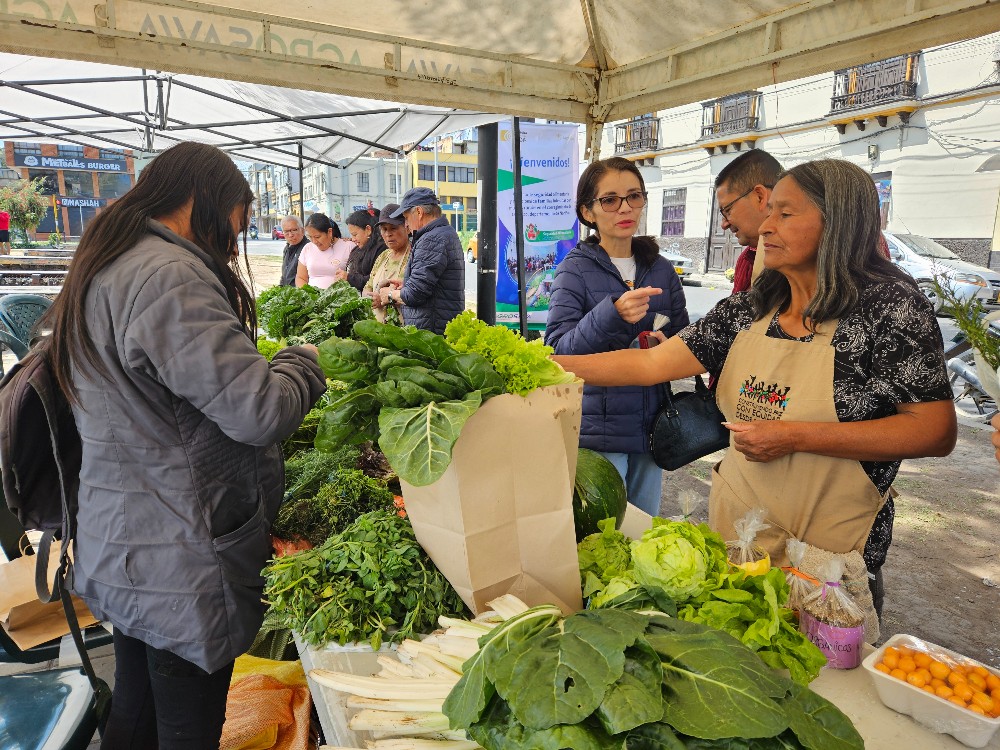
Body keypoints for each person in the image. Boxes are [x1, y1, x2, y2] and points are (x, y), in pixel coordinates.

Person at [554, 159, 957, 614]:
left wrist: (794, 436)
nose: (766, 226)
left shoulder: (891, 308)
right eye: (769, 213)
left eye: (785, 214)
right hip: (743, 545)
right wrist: (544, 362)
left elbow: (934, 430)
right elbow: (649, 363)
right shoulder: (751, 307)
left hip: (832, 563)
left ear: (838, 221)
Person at [44, 142, 327, 749]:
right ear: (204, 200)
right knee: (186, 728)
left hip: (127, 541)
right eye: (236, 225)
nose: (233, 244)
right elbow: (259, 409)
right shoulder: (168, 276)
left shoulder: (109, 260)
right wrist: (303, 362)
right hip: (178, 557)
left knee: (139, 712)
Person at [545, 156, 689, 516]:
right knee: (606, 533)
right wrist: (611, 314)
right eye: (609, 200)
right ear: (588, 212)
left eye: (633, 196)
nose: (624, 208)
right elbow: (558, 351)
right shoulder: (573, 271)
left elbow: (685, 335)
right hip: (599, 430)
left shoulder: (661, 269)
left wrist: (666, 345)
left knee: (645, 531)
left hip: (654, 423)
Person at [380, 187, 464, 334]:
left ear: (419, 212)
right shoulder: (444, 232)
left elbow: (415, 294)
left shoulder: (432, 238)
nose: (405, 224)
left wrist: (389, 295)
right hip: (437, 323)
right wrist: (406, 283)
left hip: (431, 329)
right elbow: (432, 283)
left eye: (406, 217)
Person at [714, 149, 783, 293]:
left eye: (727, 210)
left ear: (759, 197)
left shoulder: (799, 262)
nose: (724, 224)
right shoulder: (747, 260)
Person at [365, 203, 411, 323]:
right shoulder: (383, 256)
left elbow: (415, 294)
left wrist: (387, 297)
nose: (388, 234)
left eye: (393, 228)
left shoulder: (414, 256)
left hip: (404, 327)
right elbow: (368, 287)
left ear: (407, 227)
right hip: (377, 326)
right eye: (384, 229)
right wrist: (371, 298)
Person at [296, 213, 354, 289]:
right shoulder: (308, 248)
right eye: (310, 237)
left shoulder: (348, 246)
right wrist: (308, 294)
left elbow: (357, 277)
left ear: (329, 232)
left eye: (317, 237)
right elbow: (301, 277)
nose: (314, 241)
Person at [339, 207, 387, 292]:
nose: (352, 239)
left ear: (368, 229)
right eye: (351, 235)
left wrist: (349, 278)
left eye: (355, 234)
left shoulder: (381, 249)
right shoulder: (356, 250)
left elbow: (375, 279)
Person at [278, 215, 308, 286]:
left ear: (302, 231)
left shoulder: (308, 248)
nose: (290, 235)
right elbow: (284, 275)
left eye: (294, 230)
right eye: (286, 231)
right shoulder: (287, 248)